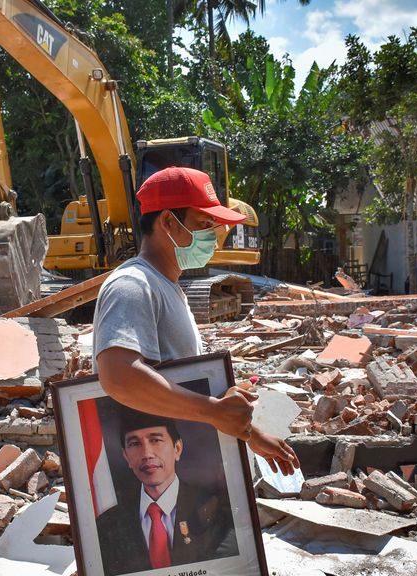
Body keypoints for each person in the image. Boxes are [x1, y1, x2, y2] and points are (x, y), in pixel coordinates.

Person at [93, 166, 298, 477]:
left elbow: (176, 390)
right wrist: (213, 411)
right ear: (167, 222)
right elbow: (119, 377)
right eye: (203, 224)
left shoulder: (167, 287)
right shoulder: (133, 285)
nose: (212, 236)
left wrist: (248, 433)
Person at [95, 407, 237, 574]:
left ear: (177, 449)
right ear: (126, 456)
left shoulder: (216, 509)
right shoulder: (107, 524)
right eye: (134, 444)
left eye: (155, 440)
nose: (146, 453)